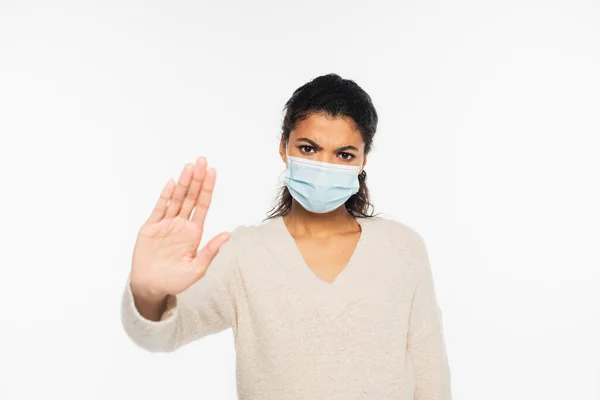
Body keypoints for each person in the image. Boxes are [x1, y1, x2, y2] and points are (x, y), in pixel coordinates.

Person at [121, 73, 452, 399]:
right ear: (284, 147)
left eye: (344, 154)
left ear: (364, 159)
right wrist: (149, 292)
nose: (324, 165)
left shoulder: (402, 248)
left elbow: (430, 376)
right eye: (309, 149)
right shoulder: (245, 253)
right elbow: (163, 334)